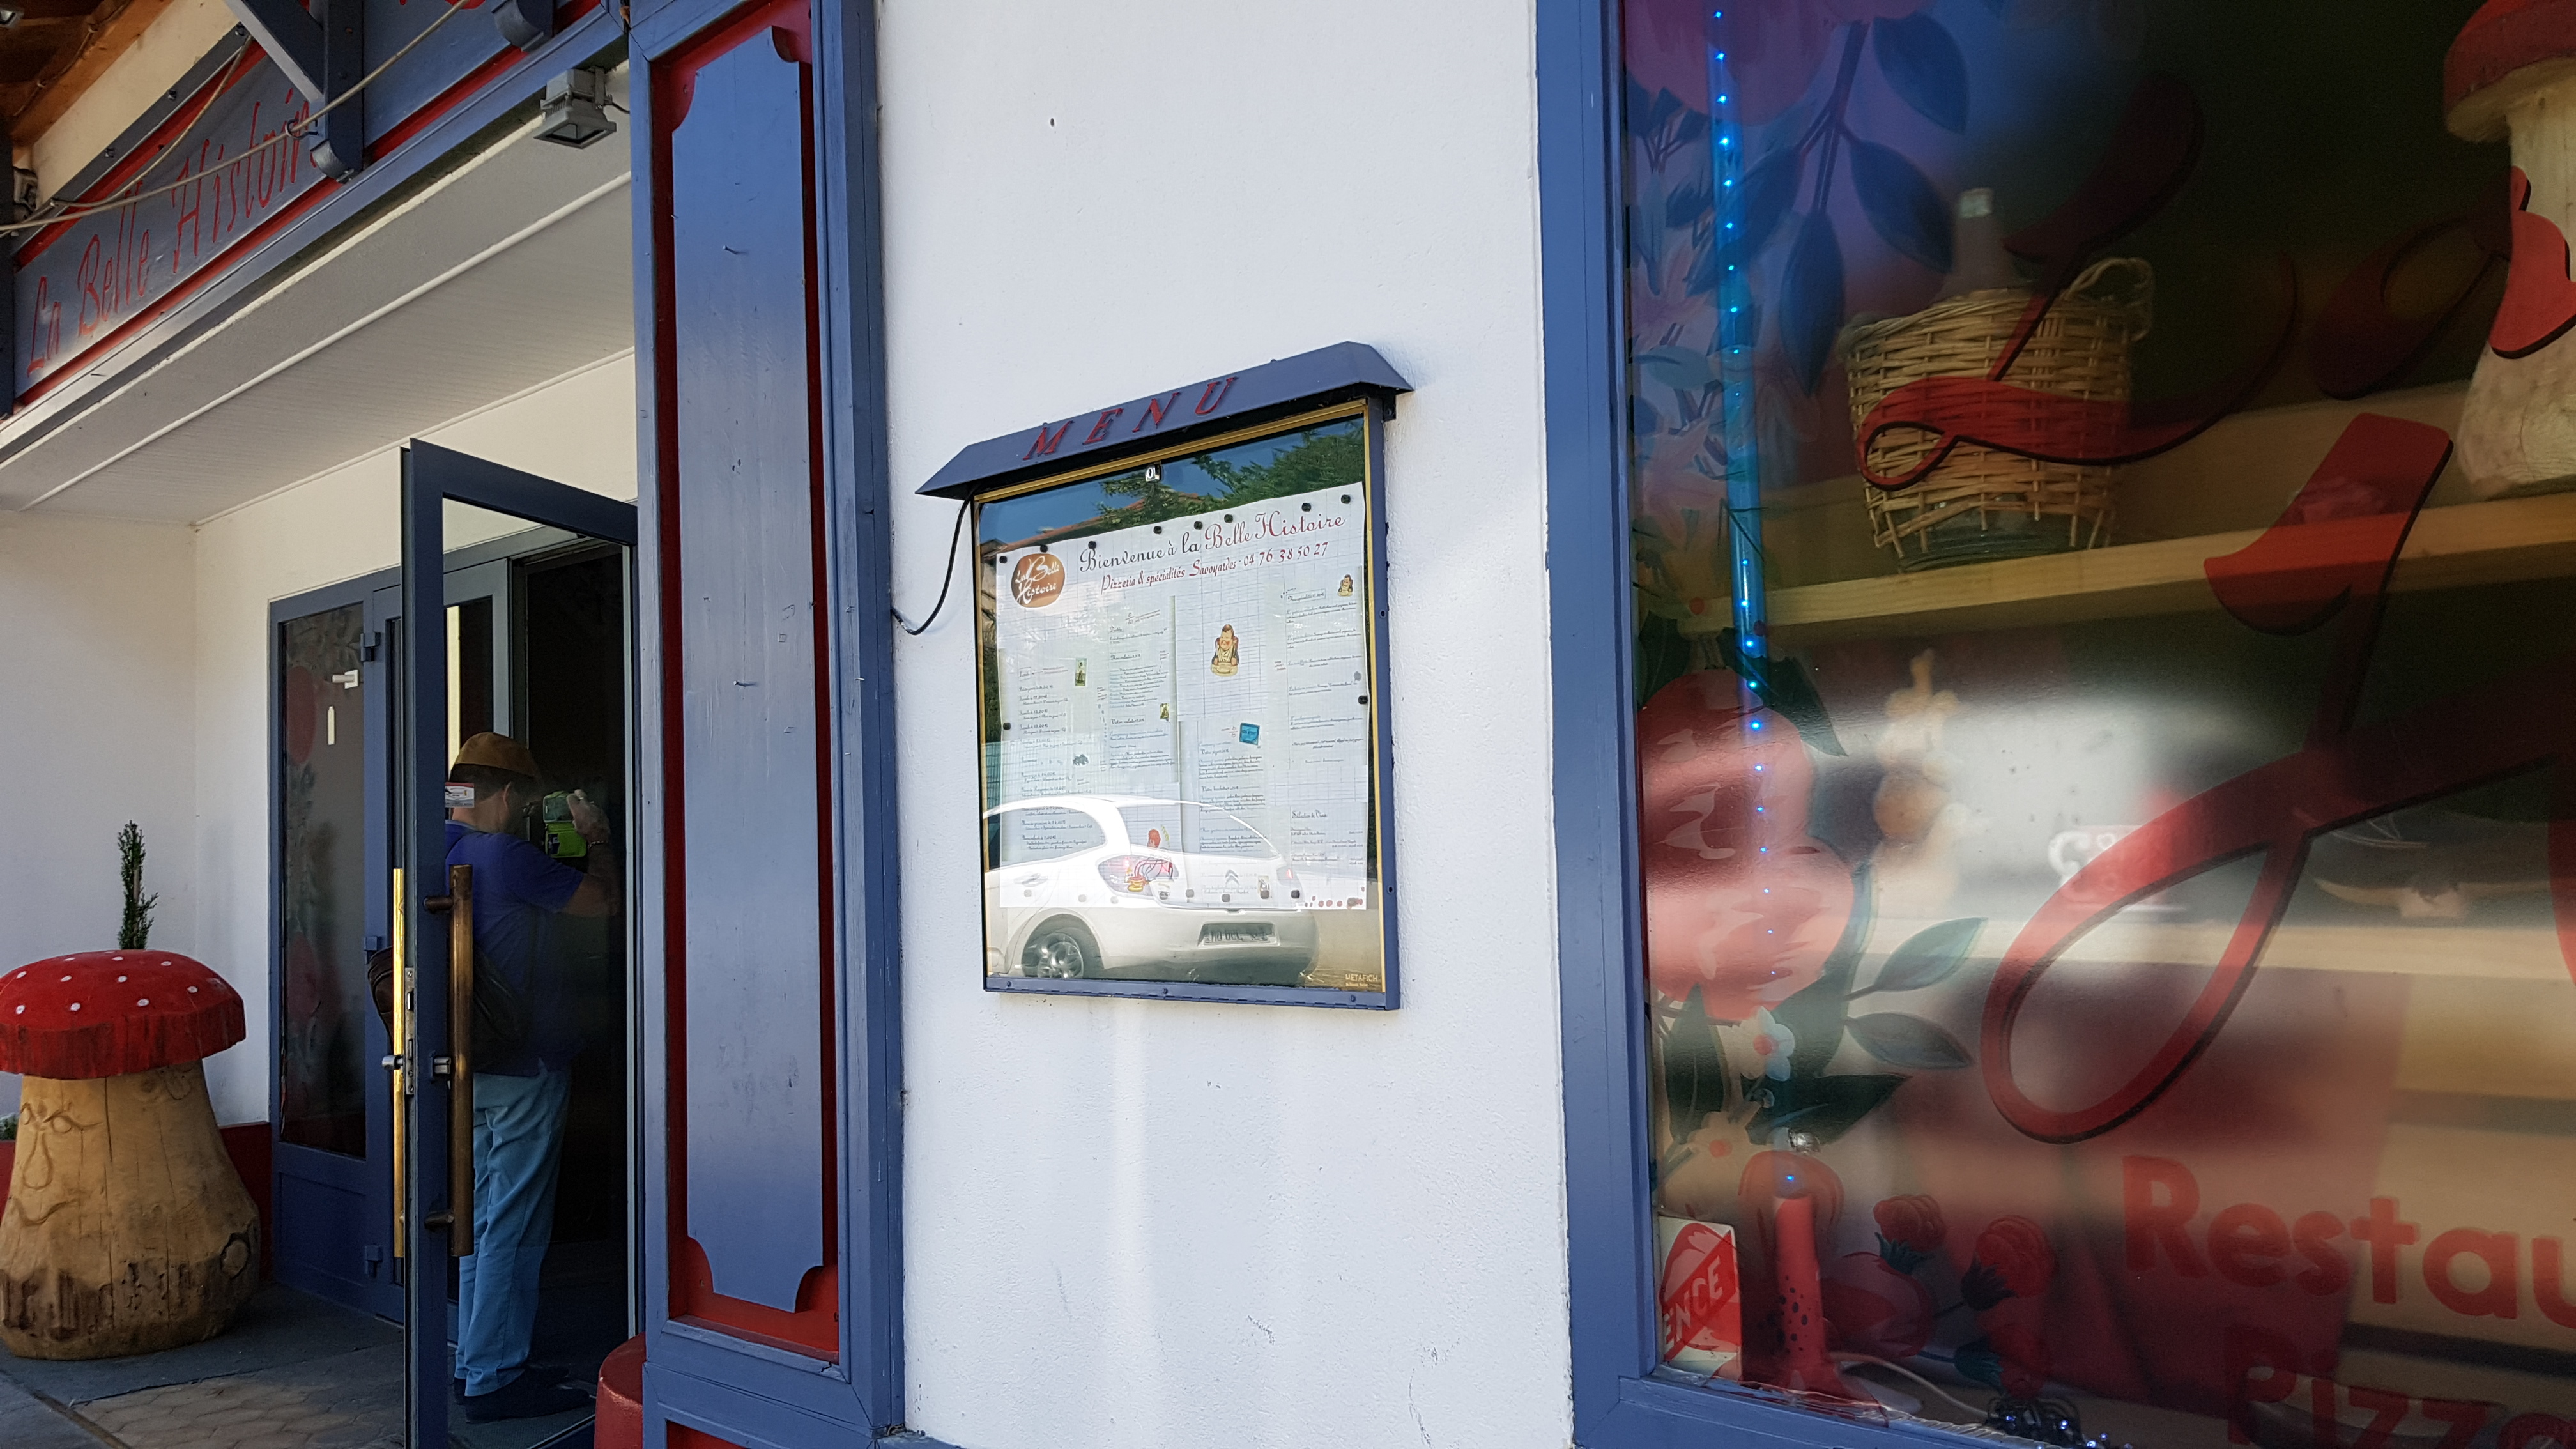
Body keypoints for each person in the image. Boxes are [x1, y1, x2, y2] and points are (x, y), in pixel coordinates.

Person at [442, 731, 618, 1422]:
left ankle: (477, 1359)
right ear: (509, 794)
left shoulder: (438, 849)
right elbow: (601, 902)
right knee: (512, 1224)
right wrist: (596, 836)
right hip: (527, 1065)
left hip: (470, 1067)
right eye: (523, 803)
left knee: (481, 1220)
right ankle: (495, 1377)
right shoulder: (506, 856)